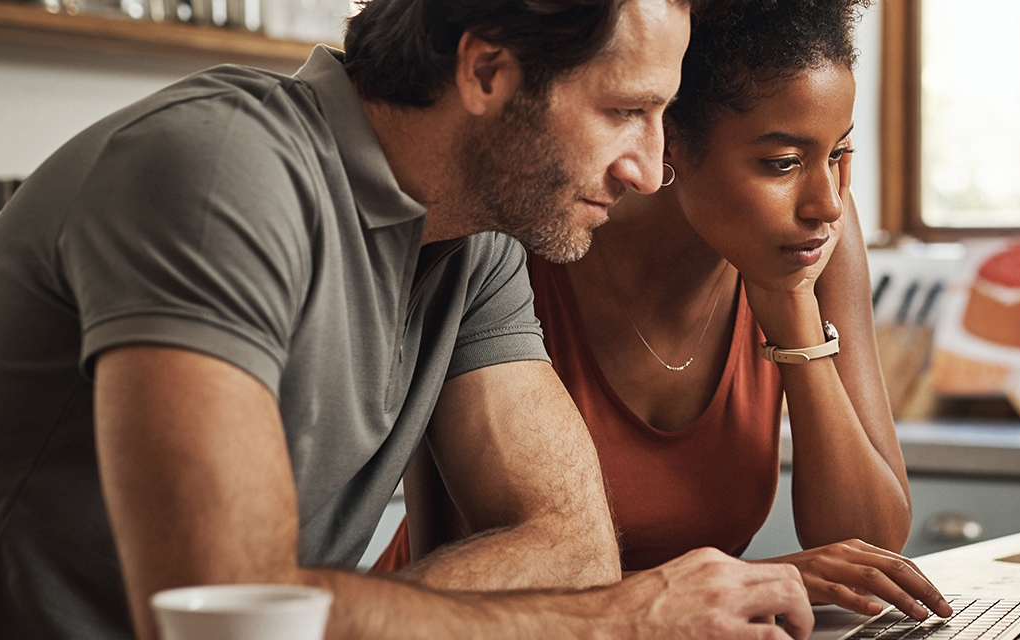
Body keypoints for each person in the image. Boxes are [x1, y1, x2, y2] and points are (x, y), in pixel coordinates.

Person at [0, 0, 817, 638]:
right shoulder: (218, 171)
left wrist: (342, 613)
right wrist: (612, 623)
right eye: (622, 112)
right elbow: (226, 609)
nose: (646, 168)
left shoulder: (476, 242)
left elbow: (569, 546)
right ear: (486, 72)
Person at [372, 0, 952, 622]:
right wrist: (753, 581)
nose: (828, 202)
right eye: (782, 163)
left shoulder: (811, 236)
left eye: (839, 153)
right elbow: (470, 558)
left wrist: (793, 314)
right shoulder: (539, 223)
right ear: (671, 138)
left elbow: (873, 541)